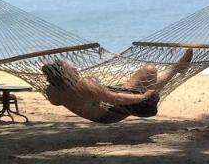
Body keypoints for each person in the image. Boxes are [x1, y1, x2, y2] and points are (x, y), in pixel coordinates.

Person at [41, 49, 193, 124]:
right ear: (65, 75)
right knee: (149, 70)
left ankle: (177, 69)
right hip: (114, 111)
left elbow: (87, 99)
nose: (76, 69)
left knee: (146, 82)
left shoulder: (53, 91)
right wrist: (143, 97)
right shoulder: (84, 84)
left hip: (103, 113)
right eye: (71, 69)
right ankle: (177, 68)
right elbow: (116, 98)